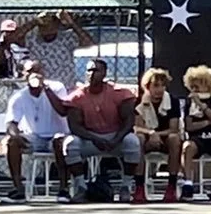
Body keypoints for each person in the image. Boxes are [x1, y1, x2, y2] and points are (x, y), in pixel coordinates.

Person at [48, 58, 143, 202]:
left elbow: (129, 121)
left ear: (104, 73)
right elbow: (75, 127)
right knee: (70, 144)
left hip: (115, 137)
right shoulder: (76, 97)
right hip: (90, 138)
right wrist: (94, 138)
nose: (92, 74)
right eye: (89, 70)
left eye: (96, 70)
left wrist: (116, 139)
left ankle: (126, 187)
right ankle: (81, 188)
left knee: (133, 142)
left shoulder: (120, 93)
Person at [2, 61, 68, 202]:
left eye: (38, 70)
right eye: (30, 71)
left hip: (56, 135)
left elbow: (63, 111)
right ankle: (19, 189)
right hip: (34, 137)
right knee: (12, 143)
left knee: (60, 141)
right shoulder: (19, 96)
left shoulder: (57, 87)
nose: (35, 74)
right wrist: (15, 136)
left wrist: (46, 89)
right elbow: (11, 123)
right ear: (24, 75)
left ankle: (64, 189)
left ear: (44, 72)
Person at [177, 65, 211, 201]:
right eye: (192, 86)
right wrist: (208, 122)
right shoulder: (189, 103)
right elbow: (189, 126)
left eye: (197, 86)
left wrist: (202, 106)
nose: (194, 89)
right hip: (197, 139)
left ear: (207, 85)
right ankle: (188, 184)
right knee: (187, 147)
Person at [133, 67, 184, 202]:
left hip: (165, 139)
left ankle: (171, 187)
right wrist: (151, 133)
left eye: (163, 85)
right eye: (156, 85)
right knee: (138, 139)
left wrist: (157, 135)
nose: (159, 89)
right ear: (147, 86)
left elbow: (173, 129)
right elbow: (137, 127)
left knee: (174, 139)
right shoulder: (139, 102)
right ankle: (139, 188)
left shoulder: (172, 101)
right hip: (147, 137)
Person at [18, 10, 91, 95]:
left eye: (51, 23)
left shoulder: (67, 38)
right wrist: (34, 21)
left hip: (67, 89)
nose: (48, 29)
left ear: (57, 24)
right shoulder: (32, 39)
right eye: (44, 25)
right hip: (43, 91)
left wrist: (72, 23)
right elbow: (14, 38)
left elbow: (88, 42)